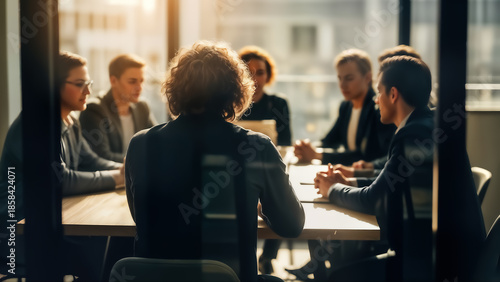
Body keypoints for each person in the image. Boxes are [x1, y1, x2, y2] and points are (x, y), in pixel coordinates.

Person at [124, 41, 305, 282]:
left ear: (175, 88)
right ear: (236, 91)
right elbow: (291, 225)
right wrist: (259, 208)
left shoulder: (141, 144)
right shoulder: (256, 147)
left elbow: (142, 217)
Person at [0, 51, 125, 280]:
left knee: (113, 241)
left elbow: (91, 161)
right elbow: (60, 180)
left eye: (88, 83)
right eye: (80, 84)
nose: (88, 91)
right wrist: (118, 177)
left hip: (53, 221)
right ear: (54, 86)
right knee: (102, 243)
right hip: (20, 233)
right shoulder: (37, 126)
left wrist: (125, 169)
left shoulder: (69, 119)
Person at [310, 55, 435, 281]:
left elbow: (373, 200)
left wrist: (332, 189)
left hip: (428, 262)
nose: (376, 100)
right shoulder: (425, 125)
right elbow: (391, 181)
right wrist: (351, 183)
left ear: (393, 94)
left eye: (379, 92)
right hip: (432, 249)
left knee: (338, 276)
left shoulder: (413, 135)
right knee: (342, 265)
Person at [294, 49, 395, 166]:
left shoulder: (378, 109)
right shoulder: (346, 106)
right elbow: (329, 141)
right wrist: (306, 148)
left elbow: (365, 156)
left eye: (349, 78)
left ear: (368, 78)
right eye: (340, 78)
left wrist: (317, 155)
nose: (342, 85)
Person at [79, 54, 157, 163]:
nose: (139, 87)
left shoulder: (142, 107)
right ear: (113, 81)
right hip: (111, 177)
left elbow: (156, 143)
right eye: (132, 81)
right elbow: (101, 156)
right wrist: (143, 160)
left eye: (141, 81)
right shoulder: (94, 109)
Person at [238, 45, 292, 146]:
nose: (254, 80)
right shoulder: (230, 105)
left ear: (268, 75)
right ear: (239, 75)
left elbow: (285, 144)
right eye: (249, 73)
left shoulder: (279, 104)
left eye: (260, 73)